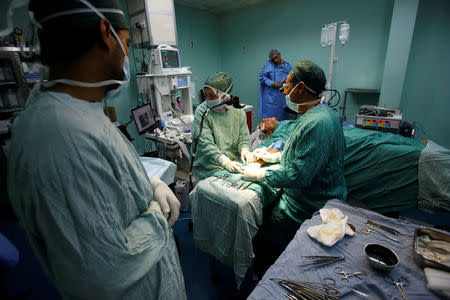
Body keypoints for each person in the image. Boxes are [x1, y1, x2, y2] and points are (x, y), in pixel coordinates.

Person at [7, 0, 185, 299]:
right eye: (127, 43)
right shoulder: (61, 134)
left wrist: (149, 184)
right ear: (106, 33)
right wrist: (155, 216)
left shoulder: (78, 111)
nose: (127, 54)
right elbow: (105, 271)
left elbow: (111, 180)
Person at [244, 60, 347, 276]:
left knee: (262, 234)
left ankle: (266, 279)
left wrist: (262, 173)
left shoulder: (316, 123)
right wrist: (274, 156)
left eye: (287, 85)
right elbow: (308, 155)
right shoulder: (321, 114)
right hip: (321, 195)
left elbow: (299, 174)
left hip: (308, 206)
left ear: (301, 87)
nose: (284, 90)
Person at [190, 72, 251, 180]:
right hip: (209, 165)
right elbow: (206, 144)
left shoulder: (237, 111)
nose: (208, 99)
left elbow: (243, 137)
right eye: (206, 95)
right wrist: (225, 162)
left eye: (212, 95)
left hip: (234, 161)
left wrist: (244, 150)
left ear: (224, 95)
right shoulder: (202, 111)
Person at [258, 49, 292, 121]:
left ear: (279, 55)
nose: (275, 61)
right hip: (271, 99)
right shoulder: (269, 65)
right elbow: (262, 77)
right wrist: (272, 83)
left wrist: (285, 85)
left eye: (276, 57)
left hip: (283, 97)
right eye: (273, 59)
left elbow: (291, 80)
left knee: (282, 120)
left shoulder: (288, 66)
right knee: (270, 121)